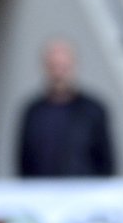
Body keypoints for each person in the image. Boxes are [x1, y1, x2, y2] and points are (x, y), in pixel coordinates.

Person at [17, 37, 115, 178]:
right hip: (42, 194)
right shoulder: (33, 111)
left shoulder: (93, 110)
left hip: (85, 194)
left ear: (74, 66)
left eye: (64, 67)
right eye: (54, 66)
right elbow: (24, 162)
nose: (59, 74)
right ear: (45, 67)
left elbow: (106, 163)